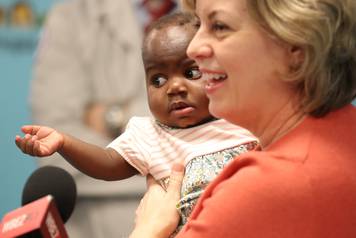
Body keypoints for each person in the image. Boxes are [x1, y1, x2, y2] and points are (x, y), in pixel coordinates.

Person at [129, 0, 356, 237]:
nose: (193, 48)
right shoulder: (343, 132)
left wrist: (148, 230)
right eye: (200, 24)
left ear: (295, 46)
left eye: (219, 26)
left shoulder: (264, 188)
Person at [16, 12, 258, 233]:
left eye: (191, 73)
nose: (174, 87)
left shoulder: (242, 117)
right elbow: (107, 163)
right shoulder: (150, 135)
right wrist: (65, 142)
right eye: (158, 79)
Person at [30, 0, 150, 237]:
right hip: (95, 226)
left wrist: (113, 118)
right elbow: (54, 147)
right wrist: (177, 153)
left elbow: (226, 121)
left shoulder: (215, 11)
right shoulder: (70, 17)